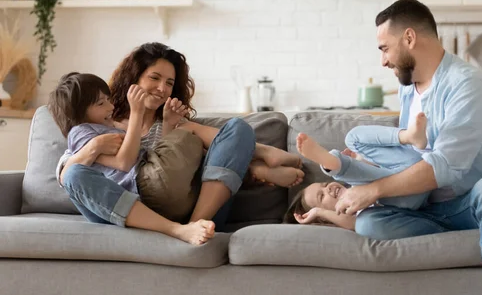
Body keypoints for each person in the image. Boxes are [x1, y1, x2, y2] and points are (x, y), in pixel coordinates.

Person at [330, 0, 482, 295]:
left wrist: (374, 190)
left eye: (384, 48)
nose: (383, 61)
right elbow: (413, 156)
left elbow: (446, 165)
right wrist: (370, 166)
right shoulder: (409, 89)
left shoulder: (468, 84)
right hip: (436, 208)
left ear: (409, 38)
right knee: (370, 223)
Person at [57, 42, 304, 232]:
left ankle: (195, 224)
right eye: (154, 78)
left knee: (237, 129)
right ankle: (257, 167)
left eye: (169, 83)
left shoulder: (175, 122)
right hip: (125, 210)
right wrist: (93, 147)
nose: (162, 88)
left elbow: (225, 148)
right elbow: (68, 171)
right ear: (133, 79)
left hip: (195, 213)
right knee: (74, 173)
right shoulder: (103, 124)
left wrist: (170, 127)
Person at [49, 72, 215, 245]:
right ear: (78, 113)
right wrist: (137, 112)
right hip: (112, 206)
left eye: (108, 99)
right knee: (74, 174)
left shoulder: (110, 128)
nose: (110, 107)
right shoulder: (80, 132)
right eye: (101, 103)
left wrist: (167, 125)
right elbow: (124, 163)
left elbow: (139, 159)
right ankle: (176, 230)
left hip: (140, 195)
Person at [293, 110, 430, 212]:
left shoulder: (355, 182)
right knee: (350, 171)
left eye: (325, 184)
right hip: (407, 196)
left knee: (353, 138)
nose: (327, 188)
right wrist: (320, 214)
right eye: (321, 196)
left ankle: (409, 136)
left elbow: (382, 172)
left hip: (414, 164)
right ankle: (330, 163)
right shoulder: (352, 216)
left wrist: (361, 160)